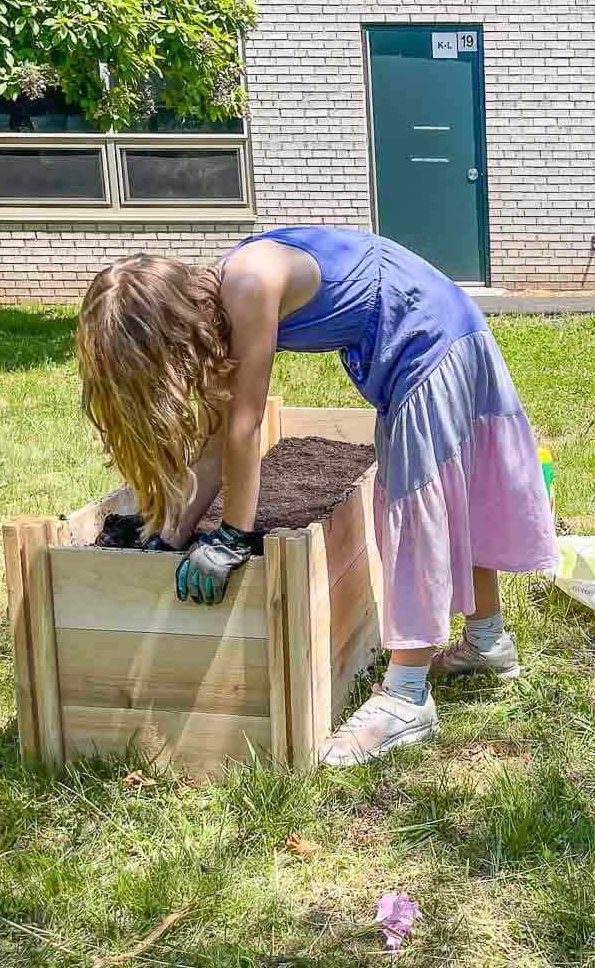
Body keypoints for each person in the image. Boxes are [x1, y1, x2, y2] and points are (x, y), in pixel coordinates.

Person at [75, 226, 558, 764]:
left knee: (415, 509)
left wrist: (233, 536)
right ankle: (488, 642)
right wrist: (171, 534)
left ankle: (406, 697)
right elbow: (216, 443)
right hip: (443, 331)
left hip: (430, 343)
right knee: (453, 494)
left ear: (172, 327)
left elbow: (244, 425)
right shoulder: (223, 296)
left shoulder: (249, 285)